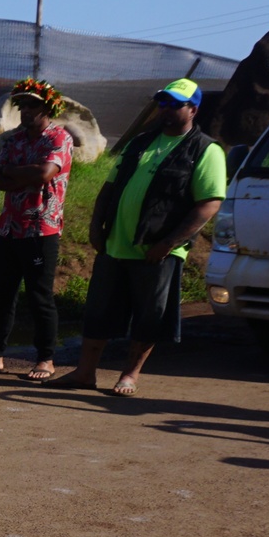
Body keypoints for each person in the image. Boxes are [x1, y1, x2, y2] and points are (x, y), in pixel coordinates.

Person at [46, 78, 225, 396]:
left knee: (149, 315)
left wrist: (168, 244)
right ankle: (85, 373)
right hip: (116, 244)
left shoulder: (206, 150)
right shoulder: (140, 142)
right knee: (99, 311)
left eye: (175, 104)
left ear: (193, 109)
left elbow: (209, 202)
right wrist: (96, 226)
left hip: (157, 250)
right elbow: (110, 187)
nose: (166, 109)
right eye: (163, 103)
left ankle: (129, 375)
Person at [0, 78, 73, 381]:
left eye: (32, 105)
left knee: (39, 296)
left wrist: (15, 173)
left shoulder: (59, 138)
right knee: (1, 295)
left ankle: (46, 359)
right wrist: (24, 175)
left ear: (47, 107)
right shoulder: (14, 140)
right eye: (22, 105)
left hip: (41, 231)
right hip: (7, 229)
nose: (25, 111)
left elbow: (44, 173)